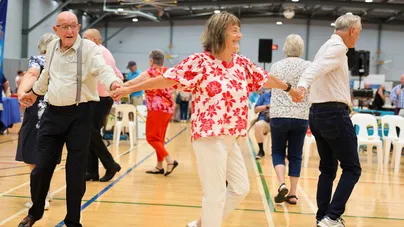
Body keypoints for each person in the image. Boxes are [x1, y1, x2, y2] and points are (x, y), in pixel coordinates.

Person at [112, 11, 301, 227]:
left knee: (240, 188)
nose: (239, 35)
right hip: (209, 136)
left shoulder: (241, 64)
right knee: (215, 194)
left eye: (239, 30)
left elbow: (265, 78)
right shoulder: (200, 62)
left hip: (231, 139)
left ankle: (200, 224)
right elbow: (166, 80)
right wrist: (129, 87)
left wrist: (289, 89)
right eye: (235, 30)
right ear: (219, 34)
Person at [17, 11, 122, 227]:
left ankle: (73, 221)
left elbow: (102, 70)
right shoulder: (53, 47)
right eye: (64, 27)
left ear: (78, 28)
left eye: (73, 26)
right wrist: (33, 93)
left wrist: (113, 84)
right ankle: (35, 212)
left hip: (80, 115)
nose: (70, 31)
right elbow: (46, 77)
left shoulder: (89, 49)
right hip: (52, 115)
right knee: (40, 168)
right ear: (56, 30)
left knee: (75, 171)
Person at [296, 13, 362, 227]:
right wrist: (303, 84)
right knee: (352, 168)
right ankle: (332, 217)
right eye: (358, 33)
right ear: (352, 30)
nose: (357, 38)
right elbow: (314, 70)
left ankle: (322, 216)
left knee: (328, 168)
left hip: (316, 114)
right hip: (333, 114)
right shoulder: (338, 48)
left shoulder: (325, 46)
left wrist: (304, 85)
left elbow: (315, 68)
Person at [16, 32, 59, 210]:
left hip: (37, 112)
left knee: (33, 153)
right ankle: (46, 192)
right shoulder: (62, 62)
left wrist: (21, 93)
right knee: (48, 153)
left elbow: (32, 74)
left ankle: (39, 197)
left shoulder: (39, 59)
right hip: (58, 113)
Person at [269, 34, 311, 205]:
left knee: (278, 151)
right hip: (300, 115)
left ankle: (281, 183)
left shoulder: (276, 66)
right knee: (295, 154)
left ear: (285, 48)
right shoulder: (308, 66)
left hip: (279, 114)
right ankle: (293, 193)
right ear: (301, 49)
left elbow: (270, 85)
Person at [122, 49, 179, 175]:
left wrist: (118, 88)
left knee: (151, 138)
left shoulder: (149, 73)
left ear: (151, 61)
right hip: (168, 109)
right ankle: (159, 166)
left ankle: (170, 160)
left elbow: (133, 83)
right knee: (160, 138)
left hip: (156, 109)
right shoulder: (168, 72)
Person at [82, 28, 123, 182]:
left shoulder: (98, 52)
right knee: (90, 134)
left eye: (85, 38)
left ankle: (110, 164)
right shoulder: (105, 52)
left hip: (100, 98)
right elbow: (118, 74)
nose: (82, 40)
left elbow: (103, 73)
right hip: (99, 97)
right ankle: (91, 171)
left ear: (94, 40)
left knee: (91, 132)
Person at [253, 88, 271, 159]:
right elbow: (256, 109)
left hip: (278, 122)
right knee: (258, 125)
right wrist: (267, 106)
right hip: (265, 121)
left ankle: (283, 151)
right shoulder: (264, 95)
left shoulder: (284, 96)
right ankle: (261, 150)